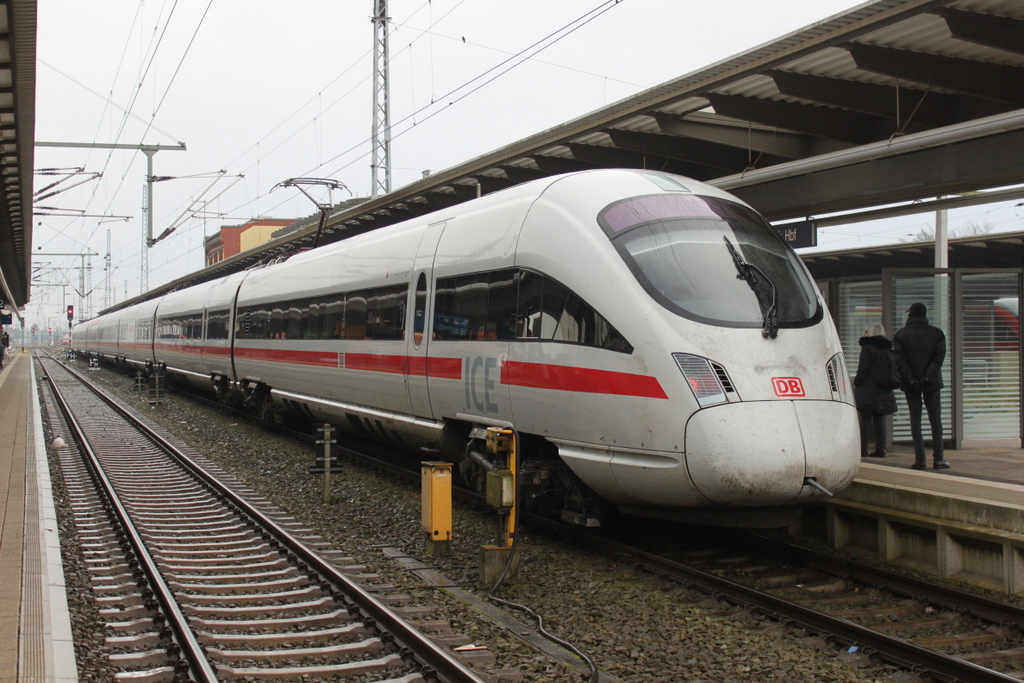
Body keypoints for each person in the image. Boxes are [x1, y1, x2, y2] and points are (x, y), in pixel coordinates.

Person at [893, 302, 949, 470]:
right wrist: (926, 377)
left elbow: (900, 361)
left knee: (915, 420)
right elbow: (938, 358)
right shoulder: (936, 334)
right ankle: (938, 459)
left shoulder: (901, 335)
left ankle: (920, 459)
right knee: (935, 420)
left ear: (910, 315)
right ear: (925, 315)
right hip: (931, 383)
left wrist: (912, 379)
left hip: (911, 385)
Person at [853, 323, 897, 458]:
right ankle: (881, 449)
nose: (864, 334)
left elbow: (863, 370)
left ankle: (863, 449)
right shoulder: (887, 349)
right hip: (883, 389)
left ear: (871, 333)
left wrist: (856, 382)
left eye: (866, 331)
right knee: (880, 419)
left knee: (865, 419)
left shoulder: (867, 349)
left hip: (867, 388)